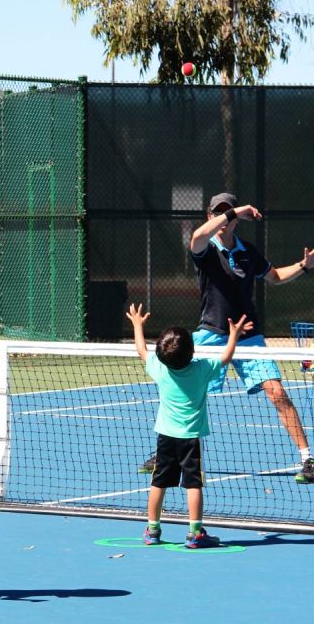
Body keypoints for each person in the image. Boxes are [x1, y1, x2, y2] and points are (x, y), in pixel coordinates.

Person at [139, 192, 314, 483]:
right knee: (182, 389)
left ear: (235, 221)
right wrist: (236, 211)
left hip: (249, 337)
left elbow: (275, 277)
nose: (223, 219)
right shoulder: (205, 250)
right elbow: (197, 236)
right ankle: (167, 453)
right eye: (218, 213)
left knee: (278, 393)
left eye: (228, 213)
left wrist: (305, 265)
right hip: (210, 335)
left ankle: (308, 459)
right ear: (210, 216)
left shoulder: (248, 252)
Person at [127, 303, 253, 548]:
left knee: (158, 482)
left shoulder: (158, 367)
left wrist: (137, 325)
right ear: (192, 350)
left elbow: (141, 350)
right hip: (190, 438)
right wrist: (234, 335)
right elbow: (226, 357)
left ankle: (153, 531)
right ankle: (195, 533)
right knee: (193, 484)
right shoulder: (202, 369)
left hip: (165, 436)